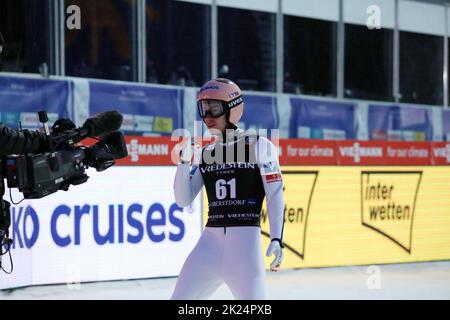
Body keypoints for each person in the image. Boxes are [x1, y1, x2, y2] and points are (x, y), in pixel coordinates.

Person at [172, 78, 285, 300]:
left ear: (233, 108)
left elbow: (275, 194)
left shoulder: (259, 145)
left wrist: (276, 238)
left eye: (214, 108)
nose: (207, 117)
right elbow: (183, 199)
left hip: (244, 249)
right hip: (209, 246)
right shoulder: (206, 153)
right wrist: (183, 164)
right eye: (203, 109)